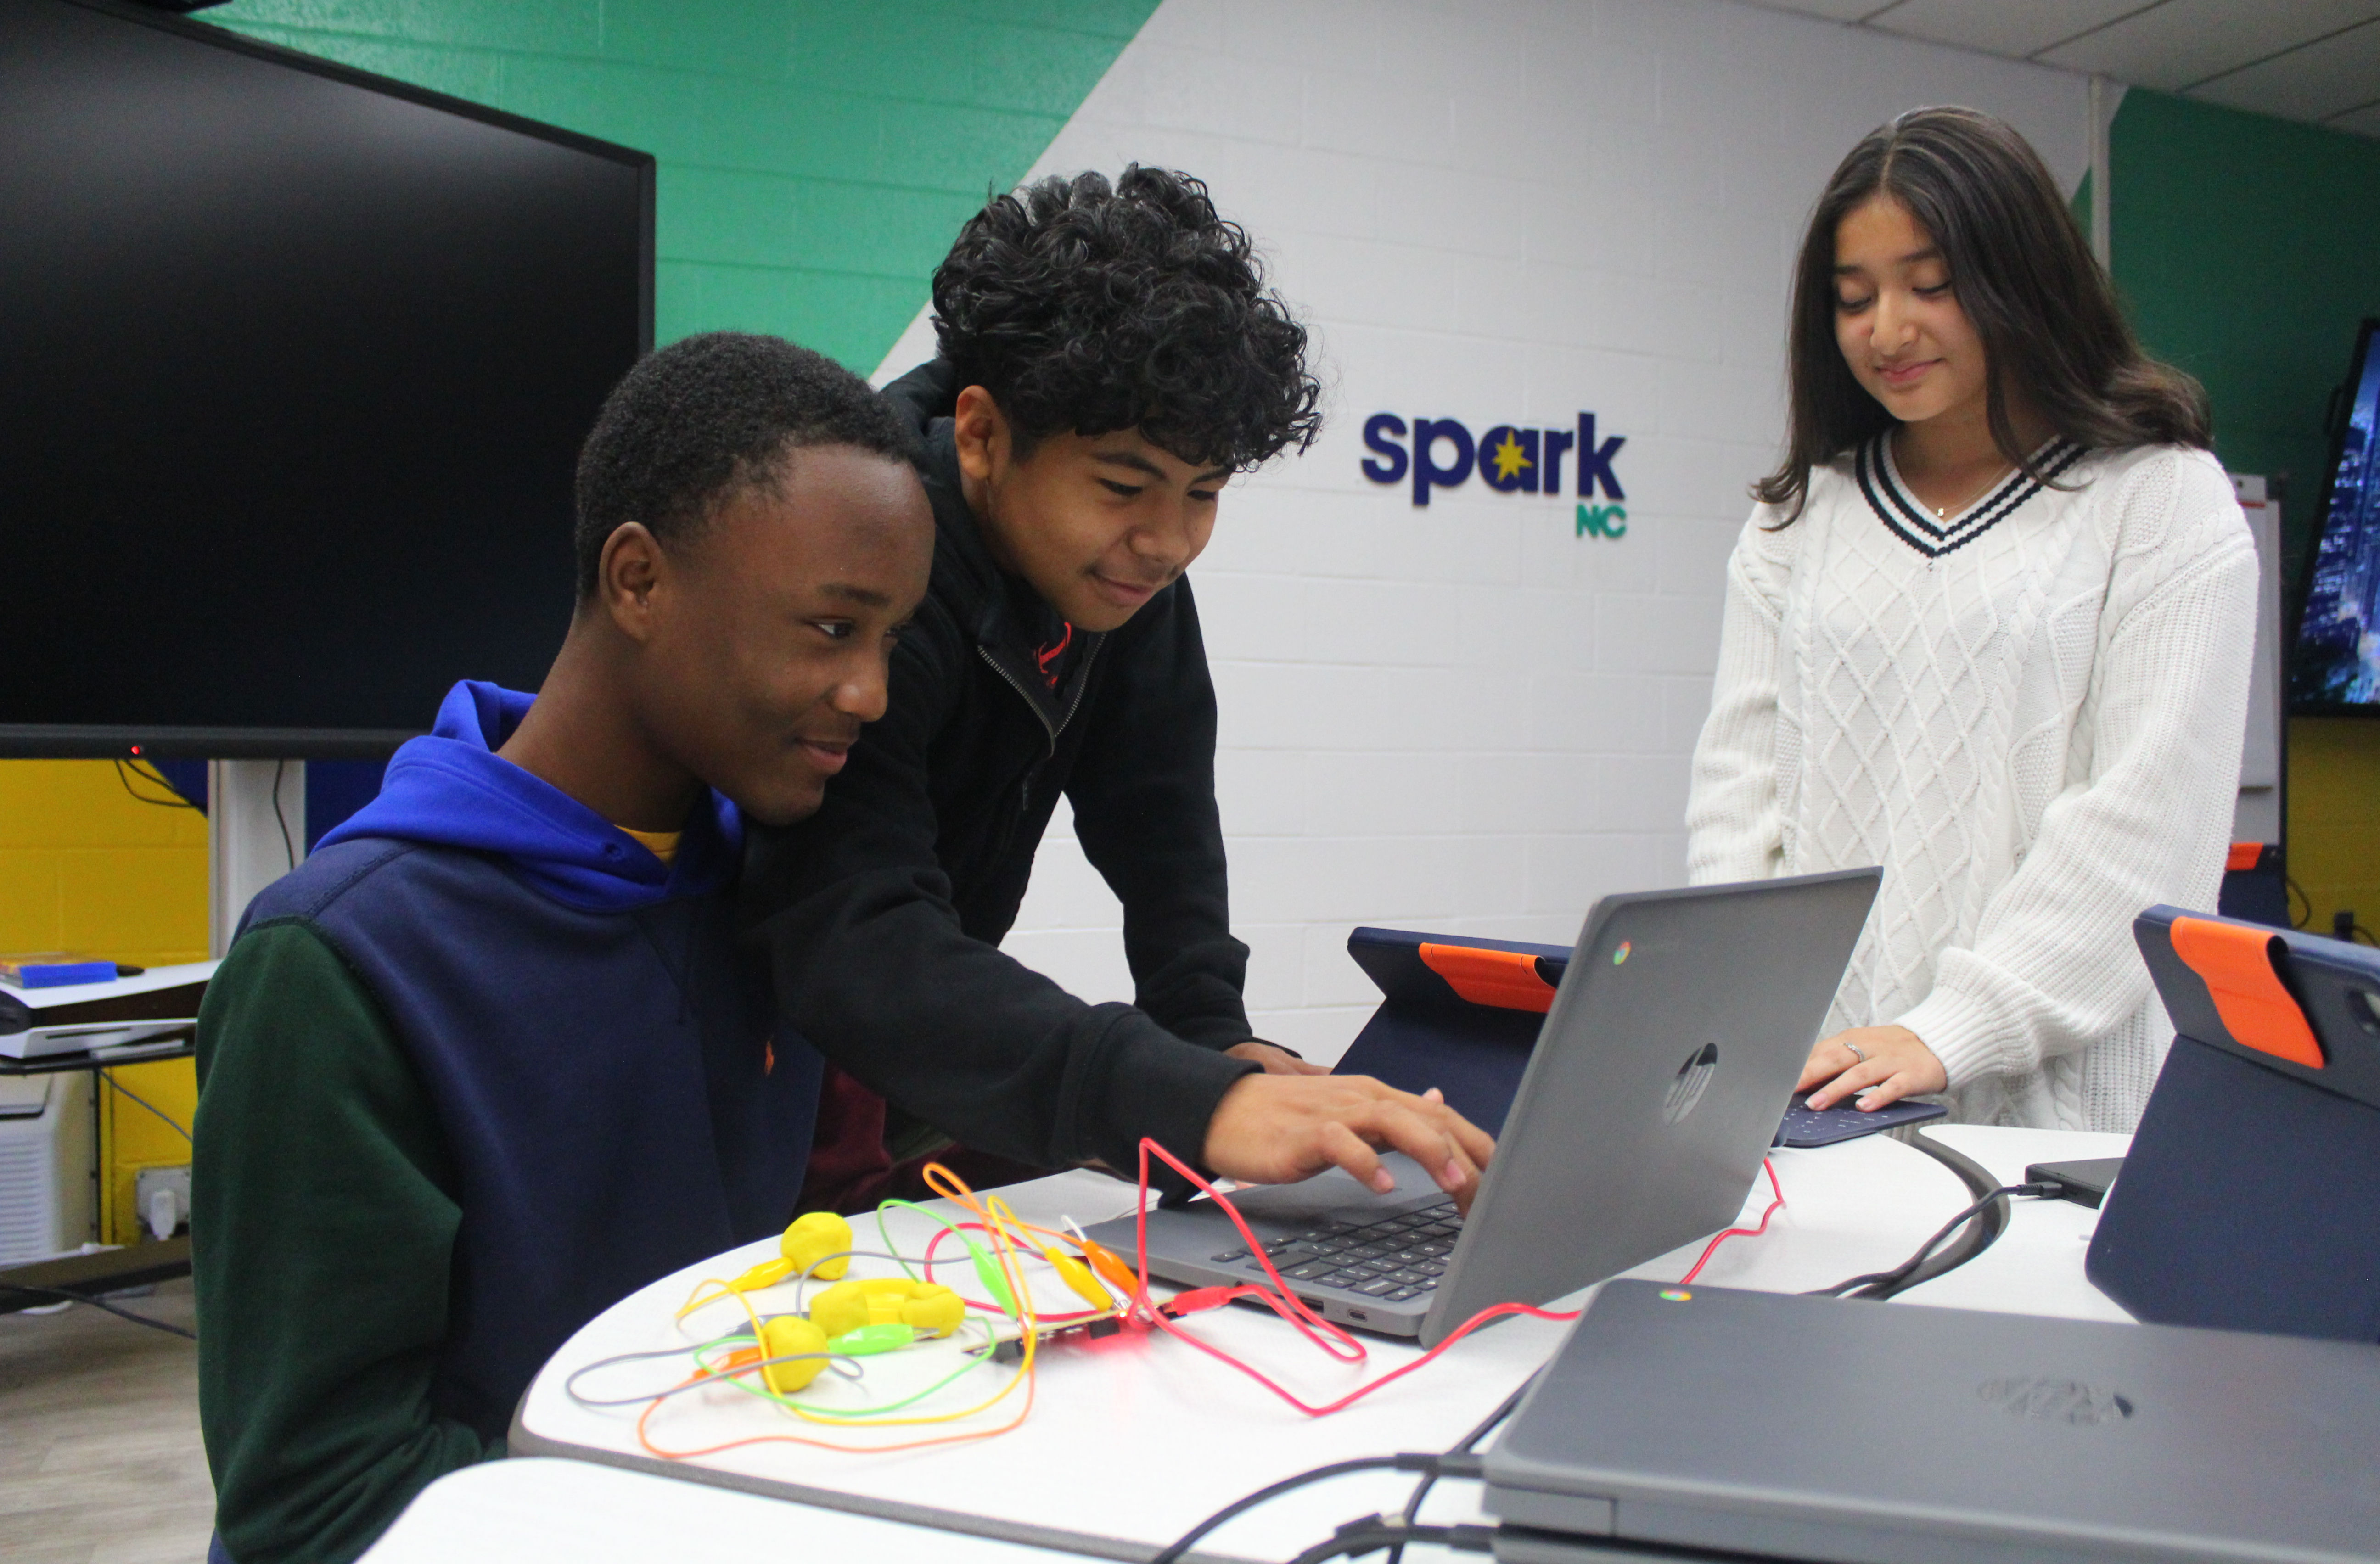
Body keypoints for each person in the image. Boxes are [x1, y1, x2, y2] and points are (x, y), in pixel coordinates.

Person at [191, 333, 935, 1564]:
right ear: (639, 582)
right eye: (828, 627)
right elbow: (318, 1509)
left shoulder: (776, 895)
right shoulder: (340, 966)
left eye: (890, 641)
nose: (869, 692)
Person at [742, 166, 1495, 1208]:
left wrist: (1212, 1041)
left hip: (911, 1010)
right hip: (757, 1041)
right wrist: (1192, 1101)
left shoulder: (1118, 579)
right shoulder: (874, 585)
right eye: (1124, 486)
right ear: (981, 434)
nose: (1168, 541)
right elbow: (854, 929)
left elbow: (1163, 823)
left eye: (1206, 494)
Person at [1686, 107, 2257, 1132]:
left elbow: (2145, 824)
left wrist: (1953, 1029)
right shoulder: (1797, 518)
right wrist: (1745, 1022)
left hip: (2066, 1122)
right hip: (1818, 1097)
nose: (1886, 330)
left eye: (1932, 286)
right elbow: (1738, 799)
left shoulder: (2161, 500)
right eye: (1852, 298)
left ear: (2022, 278)